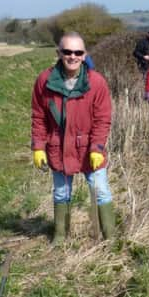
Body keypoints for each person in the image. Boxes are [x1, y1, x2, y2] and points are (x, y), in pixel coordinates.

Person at [31, 32, 115, 243]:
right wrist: (38, 146)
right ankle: (60, 237)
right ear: (59, 53)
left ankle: (110, 238)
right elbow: (39, 117)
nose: (72, 56)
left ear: (84, 54)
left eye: (78, 52)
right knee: (61, 193)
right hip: (58, 147)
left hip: (88, 148)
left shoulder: (96, 83)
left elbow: (102, 120)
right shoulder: (44, 81)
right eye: (67, 51)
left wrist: (97, 148)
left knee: (101, 191)